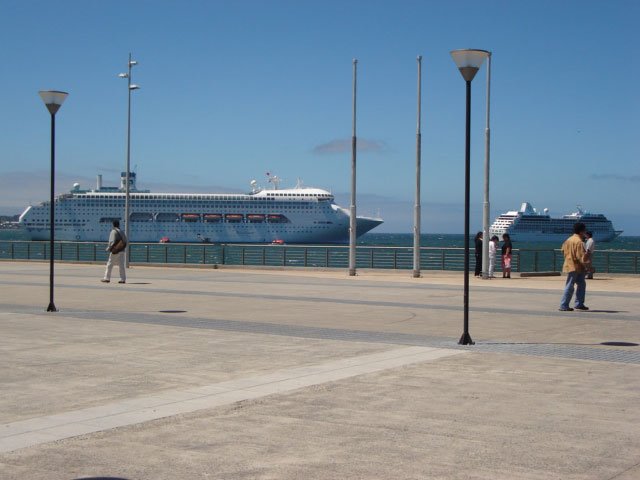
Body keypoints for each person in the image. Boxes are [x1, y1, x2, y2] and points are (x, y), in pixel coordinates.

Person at [559, 222, 589, 311]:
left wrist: (568, 258)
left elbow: (562, 250)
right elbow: (581, 256)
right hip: (576, 266)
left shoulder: (568, 239)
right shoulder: (579, 242)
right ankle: (564, 305)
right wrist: (588, 266)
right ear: (581, 231)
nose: (585, 232)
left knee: (581, 284)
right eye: (584, 230)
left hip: (569, 265)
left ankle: (579, 303)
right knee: (570, 285)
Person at [102, 220, 127, 284]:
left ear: (113, 225)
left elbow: (112, 241)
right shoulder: (122, 231)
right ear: (119, 225)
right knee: (121, 265)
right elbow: (125, 241)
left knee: (109, 264)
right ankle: (123, 279)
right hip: (122, 250)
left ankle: (107, 278)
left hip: (115, 250)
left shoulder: (113, 231)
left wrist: (108, 248)